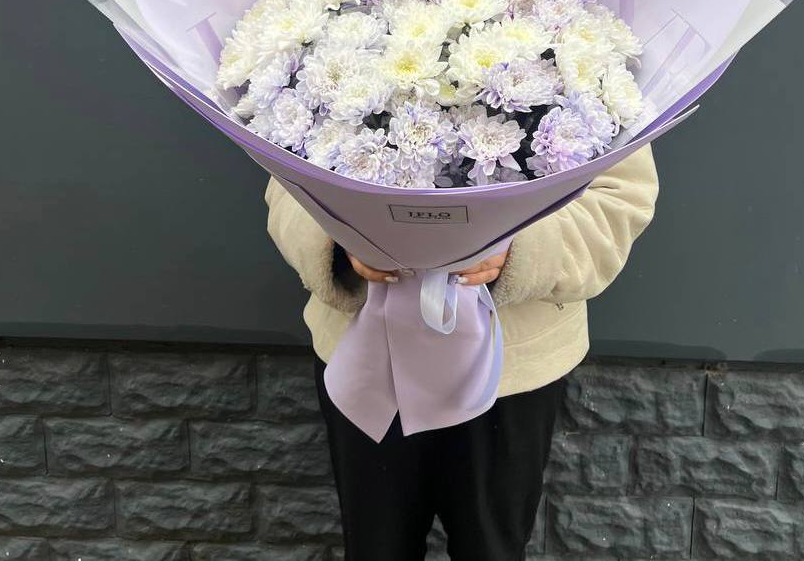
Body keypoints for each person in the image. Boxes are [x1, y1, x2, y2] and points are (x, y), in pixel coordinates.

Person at [265, 144, 658, 561]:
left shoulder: (604, 95)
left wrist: (519, 250)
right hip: (364, 356)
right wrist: (340, 239)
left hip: (509, 370)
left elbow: (618, 198)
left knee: (491, 550)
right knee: (374, 548)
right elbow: (285, 176)